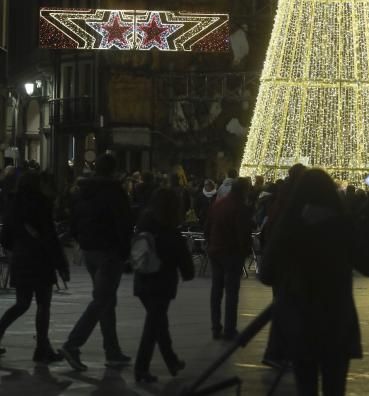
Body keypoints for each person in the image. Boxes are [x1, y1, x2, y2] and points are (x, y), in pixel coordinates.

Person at [260, 168, 369, 396]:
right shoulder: (343, 226)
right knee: (335, 388)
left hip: (300, 320)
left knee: (305, 387)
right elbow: (368, 266)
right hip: (336, 319)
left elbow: (266, 274)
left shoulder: (290, 225)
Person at [61, 153, 133, 371]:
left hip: (90, 249)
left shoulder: (83, 191)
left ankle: (112, 350)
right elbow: (123, 223)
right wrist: (125, 252)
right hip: (109, 251)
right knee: (102, 300)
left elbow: (73, 219)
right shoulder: (114, 192)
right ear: (113, 170)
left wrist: (80, 238)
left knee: (106, 300)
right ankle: (73, 344)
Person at [0, 171, 69, 363]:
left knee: (22, 303)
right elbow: (50, 237)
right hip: (41, 259)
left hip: (21, 259)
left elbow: (5, 238)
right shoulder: (41, 204)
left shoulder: (13, 205)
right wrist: (61, 264)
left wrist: (19, 244)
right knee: (43, 304)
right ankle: (41, 348)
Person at [133, 188, 194, 383]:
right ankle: (143, 368)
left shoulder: (144, 224)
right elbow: (183, 259)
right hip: (161, 284)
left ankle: (171, 361)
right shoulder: (170, 231)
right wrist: (187, 273)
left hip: (143, 280)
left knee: (157, 323)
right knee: (154, 325)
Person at [205, 177, 252, 340]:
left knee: (216, 290)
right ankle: (229, 329)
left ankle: (215, 327)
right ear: (244, 191)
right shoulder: (240, 207)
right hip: (231, 253)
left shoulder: (218, 204)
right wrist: (244, 250)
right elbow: (242, 233)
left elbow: (208, 226)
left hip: (216, 250)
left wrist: (210, 243)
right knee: (232, 293)